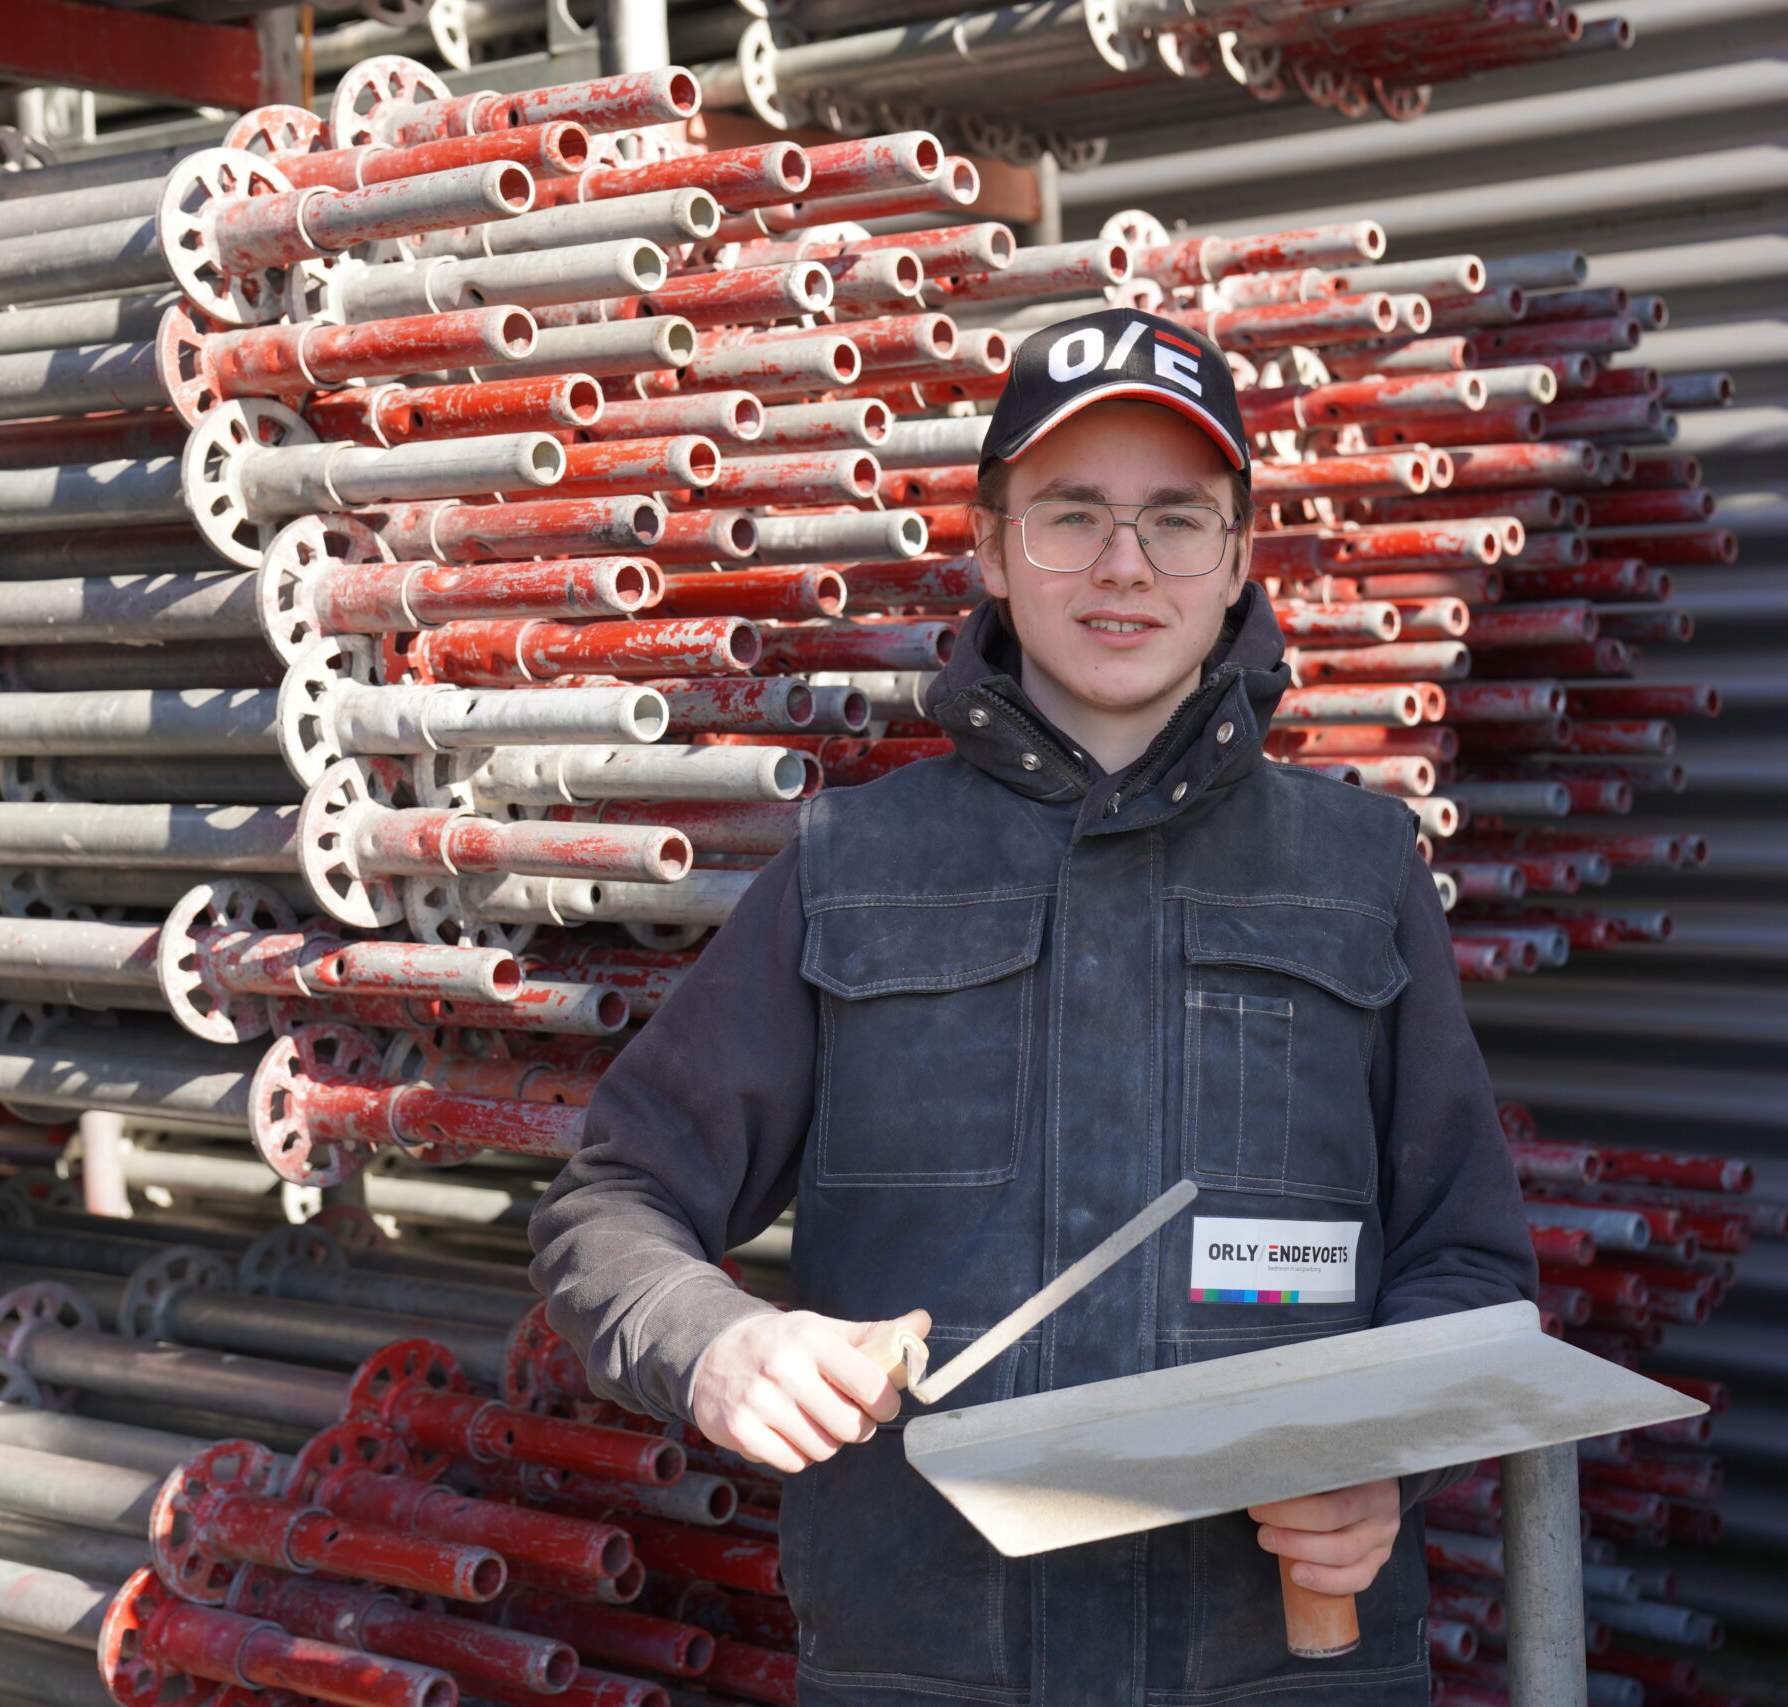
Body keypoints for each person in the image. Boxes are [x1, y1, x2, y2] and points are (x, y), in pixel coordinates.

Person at [530, 305, 1537, 1706]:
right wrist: (720, 1341)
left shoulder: (1358, 874)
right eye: (1072, 516)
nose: (1125, 565)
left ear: (1239, 556)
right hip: (930, 1670)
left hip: (1281, 1672)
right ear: (994, 550)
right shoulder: (851, 871)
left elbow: (1469, 1260)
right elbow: (614, 1202)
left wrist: (1389, 1452)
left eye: (1176, 518)